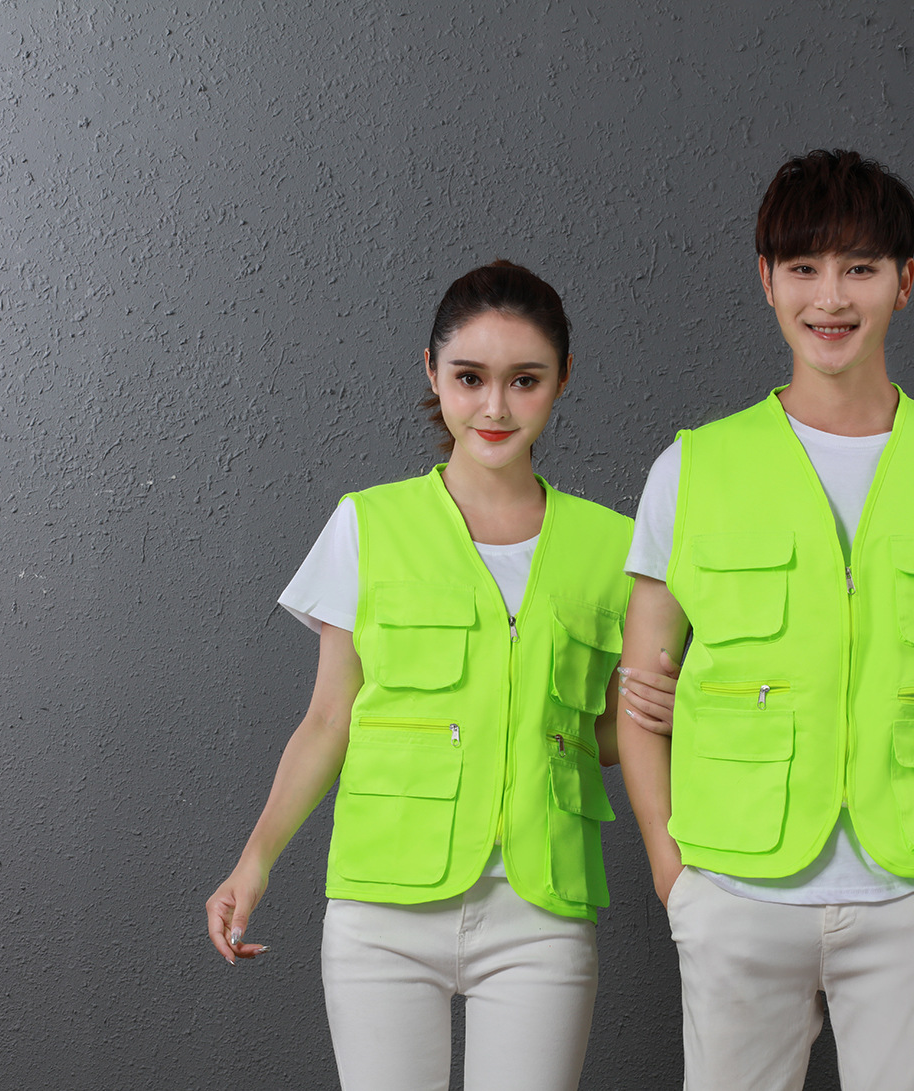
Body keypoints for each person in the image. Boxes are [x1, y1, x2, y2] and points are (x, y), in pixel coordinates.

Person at [615, 150, 914, 1091]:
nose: (831, 297)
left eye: (860, 267)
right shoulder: (691, 469)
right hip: (735, 894)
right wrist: (672, 872)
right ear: (766, 279)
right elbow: (640, 695)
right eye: (804, 267)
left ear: (905, 281)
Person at [205, 260, 651, 1091]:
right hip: (383, 909)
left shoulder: (616, 546)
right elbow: (329, 717)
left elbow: (611, 729)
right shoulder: (368, 523)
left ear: (562, 379)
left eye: (524, 380)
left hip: (541, 908)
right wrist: (254, 860)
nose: (495, 407)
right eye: (470, 377)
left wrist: (648, 717)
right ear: (432, 372)